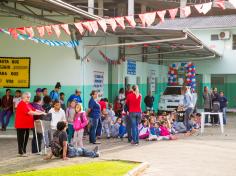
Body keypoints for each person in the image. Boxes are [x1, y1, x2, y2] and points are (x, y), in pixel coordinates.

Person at [15, 92, 46, 157]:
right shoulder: (22, 104)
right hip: (21, 125)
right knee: (21, 139)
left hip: (27, 125)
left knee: (26, 138)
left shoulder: (28, 104)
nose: (29, 98)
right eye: (27, 97)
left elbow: (34, 109)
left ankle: (24, 151)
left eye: (29, 97)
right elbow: (30, 112)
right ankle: (21, 152)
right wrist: (40, 113)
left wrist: (42, 112)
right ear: (23, 97)